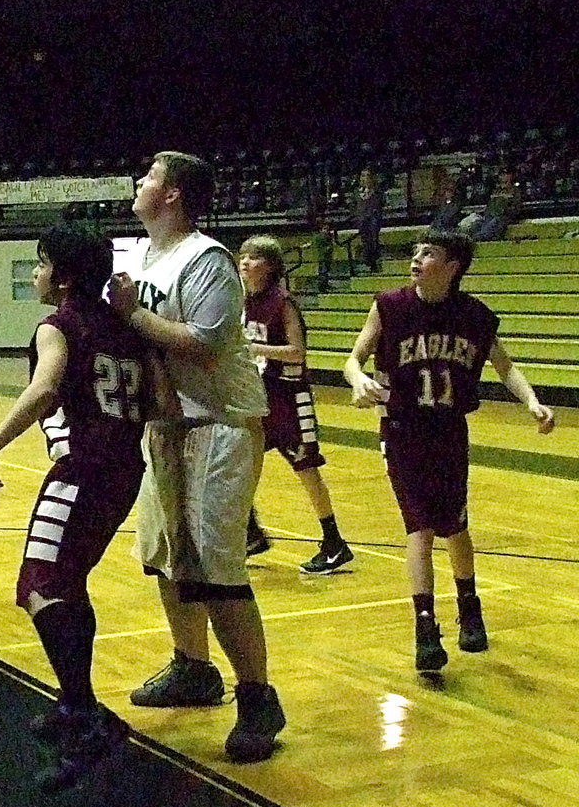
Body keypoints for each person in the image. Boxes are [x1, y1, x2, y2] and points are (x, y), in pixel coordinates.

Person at [108, 152, 286, 763]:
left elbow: (206, 344)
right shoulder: (135, 253)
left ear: (175, 194)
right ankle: (193, 667)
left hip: (220, 422)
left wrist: (132, 314)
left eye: (149, 175)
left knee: (215, 565)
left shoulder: (207, 259)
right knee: (164, 553)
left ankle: (259, 696)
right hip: (166, 422)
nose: (139, 181)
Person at [0, 222, 164, 792]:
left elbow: (44, 390)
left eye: (40, 262)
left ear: (63, 276)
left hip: (83, 471)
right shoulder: (126, 328)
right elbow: (160, 401)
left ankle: (85, 716)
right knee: (69, 581)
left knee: (39, 584)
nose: (34, 272)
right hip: (124, 469)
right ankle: (71, 703)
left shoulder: (57, 325)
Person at [343, 229, 555, 672]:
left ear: (452, 266)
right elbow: (354, 357)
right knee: (418, 528)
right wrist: (358, 378)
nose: (416, 258)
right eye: (415, 251)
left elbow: (506, 366)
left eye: (428, 253)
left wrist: (533, 401)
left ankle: (469, 603)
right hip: (402, 430)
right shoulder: (389, 306)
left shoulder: (474, 316)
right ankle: (425, 626)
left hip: (448, 431)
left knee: (454, 527)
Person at [238, 235, 352, 573]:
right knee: (241, 464)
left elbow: (297, 351)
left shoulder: (282, 302)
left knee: (306, 469)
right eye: (243, 256)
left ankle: (334, 542)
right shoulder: (243, 301)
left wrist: (256, 350)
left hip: (288, 396)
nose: (245, 262)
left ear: (270, 266)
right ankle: (250, 533)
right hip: (260, 395)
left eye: (254, 257)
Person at [355, 167, 384, 272]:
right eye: (362, 176)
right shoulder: (357, 193)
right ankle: (367, 261)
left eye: (367, 176)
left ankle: (374, 262)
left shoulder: (377, 192)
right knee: (364, 240)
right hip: (362, 221)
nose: (365, 178)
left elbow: (379, 205)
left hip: (373, 220)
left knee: (373, 239)